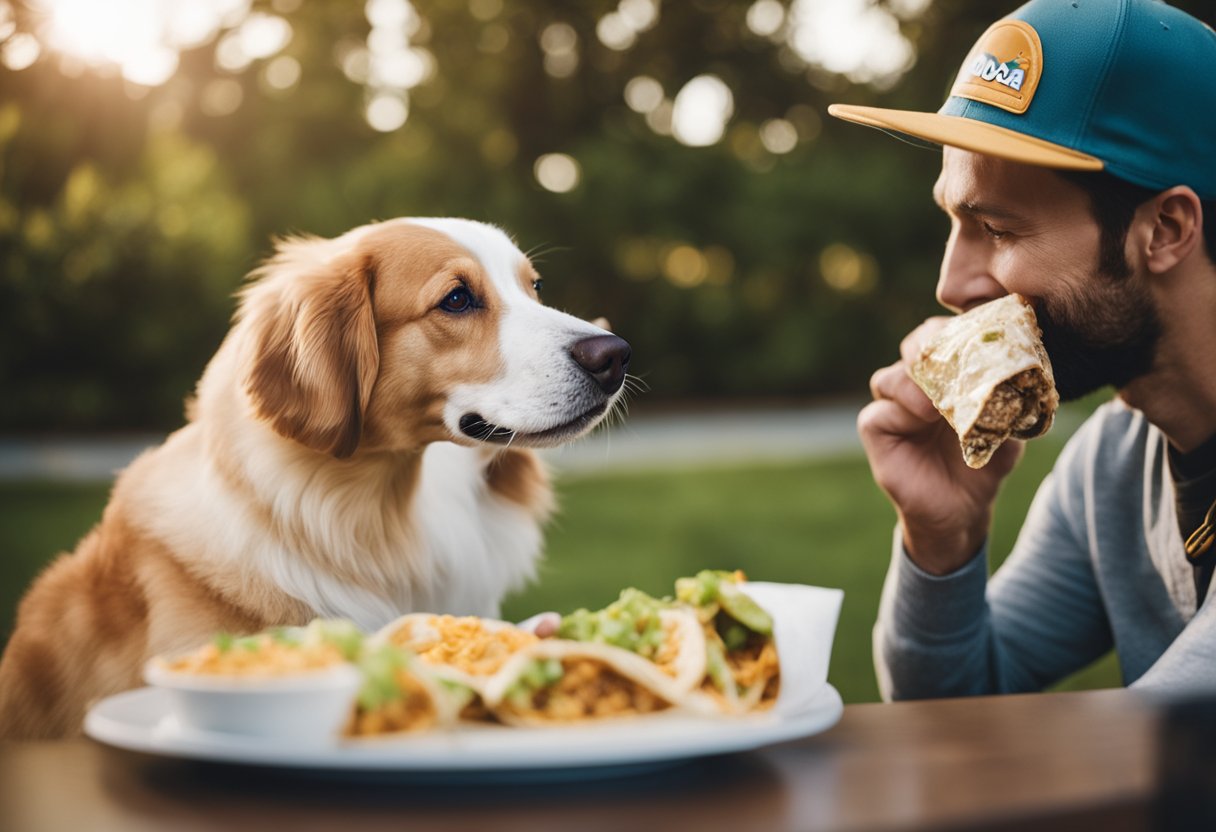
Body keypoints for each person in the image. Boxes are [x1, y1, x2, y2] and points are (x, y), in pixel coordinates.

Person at [828, 0, 1216, 698]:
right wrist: (940, 536)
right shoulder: (1115, 467)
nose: (950, 285)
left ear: (1165, 229)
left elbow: (1174, 749)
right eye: (954, 221)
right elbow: (951, 713)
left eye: (997, 229)